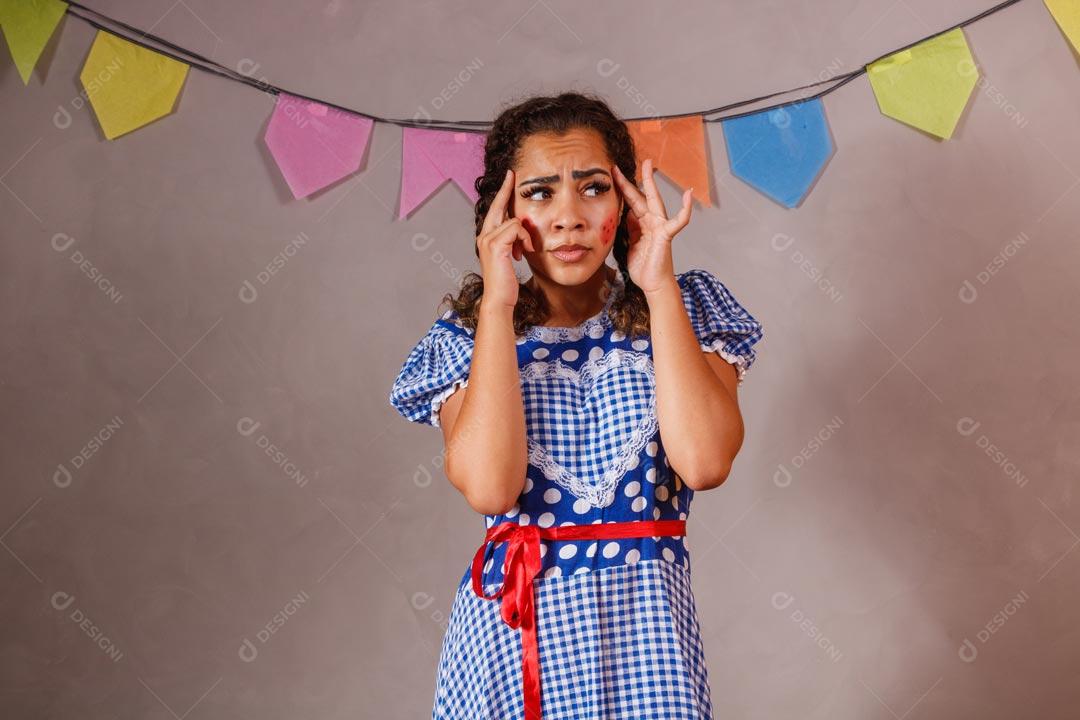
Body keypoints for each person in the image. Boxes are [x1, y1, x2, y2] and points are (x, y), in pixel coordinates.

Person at [389, 91, 764, 720]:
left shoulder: (685, 311)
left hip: (649, 646)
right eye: (539, 194)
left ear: (625, 201)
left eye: (593, 188)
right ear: (502, 214)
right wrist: (499, 308)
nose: (568, 216)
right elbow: (489, 487)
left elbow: (703, 463)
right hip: (512, 647)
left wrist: (659, 283)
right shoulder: (468, 338)